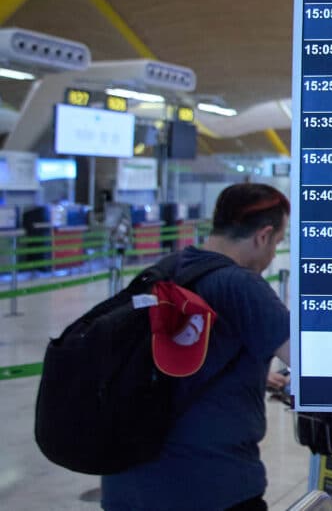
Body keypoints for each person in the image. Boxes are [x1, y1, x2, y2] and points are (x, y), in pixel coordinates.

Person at [102, 184, 291, 510]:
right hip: (209, 487)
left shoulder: (168, 269)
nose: (274, 253)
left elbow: (179, 358)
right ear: (263, 236)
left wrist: (256, 377)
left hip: (127, 482)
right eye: (277, 242)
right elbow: (309, 361)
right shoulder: (243, 284)